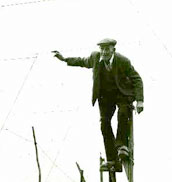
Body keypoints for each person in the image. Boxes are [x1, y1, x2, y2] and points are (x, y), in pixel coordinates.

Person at [52, 38, 144, 172]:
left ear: (113, 50)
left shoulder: (123, 61)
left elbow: (137, 79)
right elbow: (81, 61)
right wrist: (64, 59)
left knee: (123, 112)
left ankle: (122, 146)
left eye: (107, 49)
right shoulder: (95, 57)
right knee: (104, 123)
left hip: (122, 93)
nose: (104, 52)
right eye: (102, 49)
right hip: (105, 97)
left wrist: (140, 101)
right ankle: (112, 161)